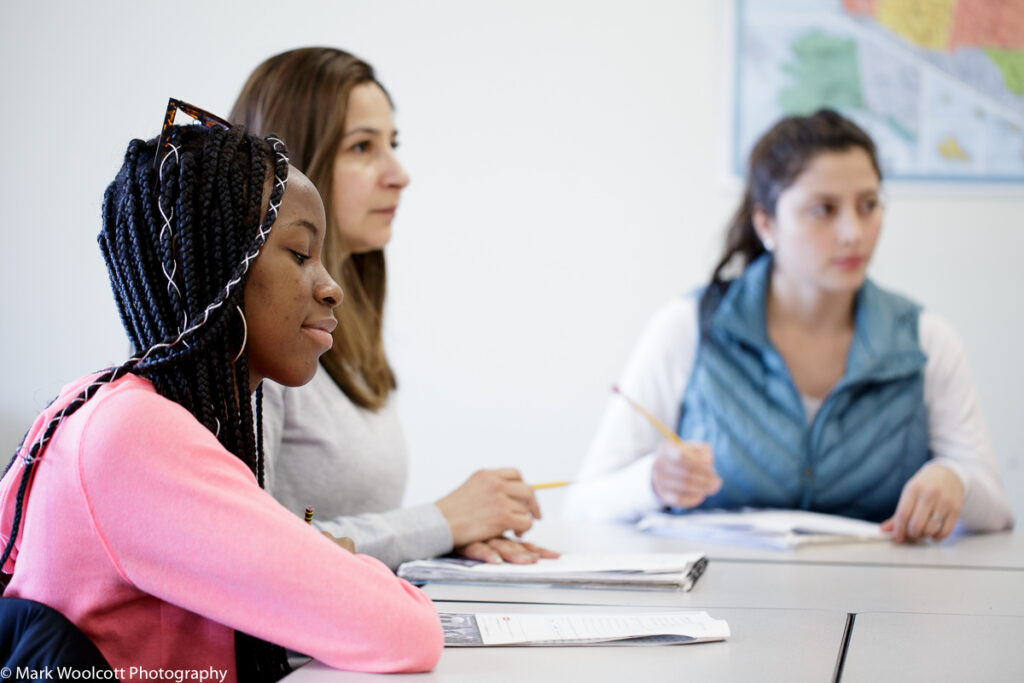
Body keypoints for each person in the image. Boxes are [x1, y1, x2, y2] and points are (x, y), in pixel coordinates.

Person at [0, 112, 442, 682]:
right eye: (301, 256)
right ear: (217, 272)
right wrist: (335, 557)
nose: (330, 287)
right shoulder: (134, 436)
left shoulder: (110, 406)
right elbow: (404, 632)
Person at [565, 109, 1014, 543]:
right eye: (823, 209)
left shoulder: (926, 339)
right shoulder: (688, 327)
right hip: (719, 603)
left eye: (869, 205)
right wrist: (653, 481)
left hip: (880, 602)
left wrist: (956, 480)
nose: (853, 233)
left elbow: (995, 508)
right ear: (766, 222)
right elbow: (584, 503)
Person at [229, 47, 556, 568]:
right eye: (362, 147)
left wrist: (441, 538)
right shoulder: (251, 337)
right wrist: (442, 520)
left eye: (392, 144)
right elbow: (249, 549)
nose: (398, 174)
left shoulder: (345, 329)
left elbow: (350, 537)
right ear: (292, 170)